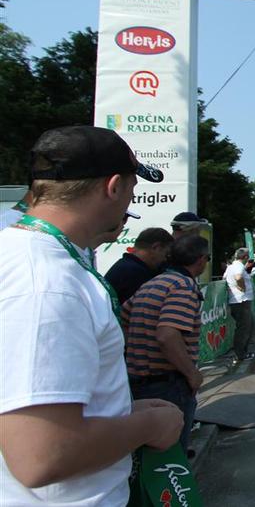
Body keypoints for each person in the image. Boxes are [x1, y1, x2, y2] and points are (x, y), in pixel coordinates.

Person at [0, 125, 182, 505]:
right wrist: (148, 425)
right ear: (113, 187)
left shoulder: (24, 257)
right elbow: (42, 454)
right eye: (133, 188)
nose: (131, 200)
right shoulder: (47, 283)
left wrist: (121, 412)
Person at [122, 235, 209, 451]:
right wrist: (192, 374)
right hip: (168, 384)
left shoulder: (151, 284)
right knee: (171, 456)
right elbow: (167, 335)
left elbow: (123, 320)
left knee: (150, 458)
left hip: (138, 382)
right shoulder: (183, 286)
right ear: (201, 260)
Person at [105, 227, 174, 304]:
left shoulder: (125, 265)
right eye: (166, 254)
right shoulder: (136, 272)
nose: (165, 259)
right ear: (155, 247)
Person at [225, 248, 255, 363]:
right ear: (245, 257)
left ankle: (242, 352)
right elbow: (238, 277)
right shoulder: (239, 266)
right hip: (241, 301)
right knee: (244, 328)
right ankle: (240, 354)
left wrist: (234, 286)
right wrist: (242, 287)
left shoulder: (231, 267)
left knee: (248, 326)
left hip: (239, 301)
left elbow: (225, 278)